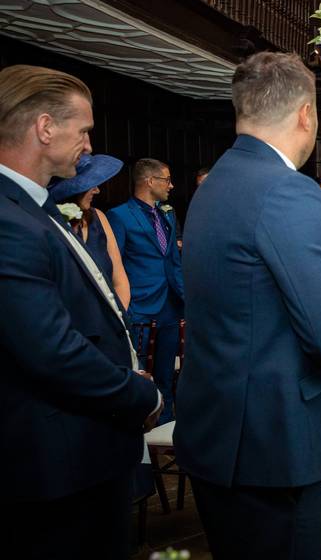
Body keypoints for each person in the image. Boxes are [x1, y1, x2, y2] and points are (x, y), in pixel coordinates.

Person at [175, 52, 321, 560]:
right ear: (306, 114)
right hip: (271, 440)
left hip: (219, 431)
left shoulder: (214, 184)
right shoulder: (288, 191)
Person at [0, 64, 160, 559]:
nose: (89, 146)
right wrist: (139, 393)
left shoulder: (32, 210)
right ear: (45, 128)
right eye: (84, 130)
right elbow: (51, 351)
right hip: (55, 467)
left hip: (78, 454)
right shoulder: (9, 221)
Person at [107, 158, 184, 424]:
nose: (171, 186)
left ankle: (167, 420)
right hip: (139, 304)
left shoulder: (168, 213)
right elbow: (114, 264)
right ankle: (142, 429)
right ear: (150, 181)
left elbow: (172, 256)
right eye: (166, 180)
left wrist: (183, 293)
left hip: (170, 303)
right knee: (141, 373)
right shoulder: (119, 215)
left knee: (165, 373)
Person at [49, 153, 131, 309]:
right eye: (90, 184)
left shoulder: (99, 217)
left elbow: (120, 280)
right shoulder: (51, 222)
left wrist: (120, 318)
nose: (97, 190)